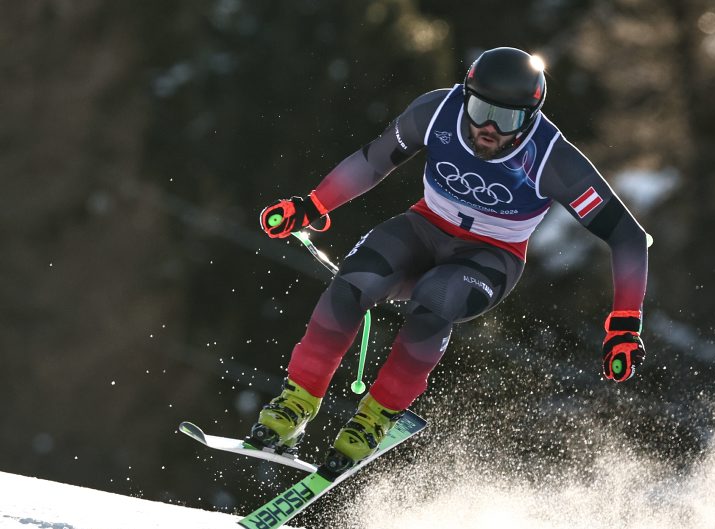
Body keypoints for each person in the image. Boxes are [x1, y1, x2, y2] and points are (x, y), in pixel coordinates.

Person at [251, 47, 648, 479]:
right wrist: (312, 205)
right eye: (480, 109)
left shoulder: (553, 158)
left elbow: (626, 235)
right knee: (355, 278)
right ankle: (296, 403)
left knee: (435, 298)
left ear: (530, 117)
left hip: (491, 256)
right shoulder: (436, 111)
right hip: (424, 227)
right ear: (465, 96)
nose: (489, 129)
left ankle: (374, 420)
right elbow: (373, 160)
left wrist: (625, 323)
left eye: (508, 119)